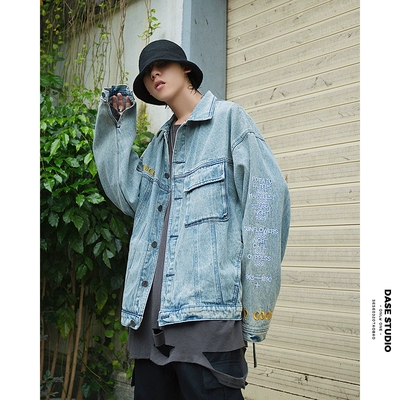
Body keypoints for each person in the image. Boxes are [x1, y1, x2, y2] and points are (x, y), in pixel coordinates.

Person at [93, 39, 290, 400]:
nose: (154, 74)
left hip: (207, 324)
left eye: (163, 65)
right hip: (148, 327)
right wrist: (116, 123)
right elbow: (126, 192)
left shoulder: (229, 121)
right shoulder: (158, 145)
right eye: (147, 72)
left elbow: (265, 207)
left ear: (186, 70)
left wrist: (256, 309)